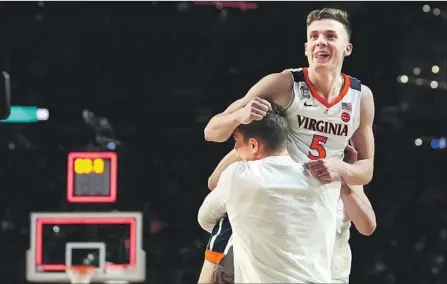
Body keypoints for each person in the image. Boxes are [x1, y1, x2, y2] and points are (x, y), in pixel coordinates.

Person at [204, 8, 375, 187]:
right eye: (314, 36)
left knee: (365, 213)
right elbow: (211, 132)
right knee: (214, 184)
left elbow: (366, 170)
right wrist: (239, 116)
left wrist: (340, 168)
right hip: (278, 190)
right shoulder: (283, 83)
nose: (320, 42)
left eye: (330, 36)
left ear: (347, 49)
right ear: (306, 48)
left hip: (322, 199)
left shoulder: (361, 96)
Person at [198, 104, 343, 283]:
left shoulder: (239, 174)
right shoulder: (324, 176)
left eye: (236, 141)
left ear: (253, 144)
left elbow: (205, 218)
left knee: (225, 225)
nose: (235, 149)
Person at [198, 144, 376, 284]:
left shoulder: (338, 170)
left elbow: (368, 226)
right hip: (276, 274)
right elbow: (214, 182)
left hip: (329, 276)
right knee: (228, 224)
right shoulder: (271, 171)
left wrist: (344, 179)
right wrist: (245, 148)